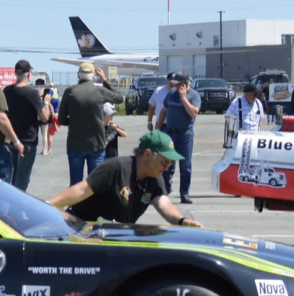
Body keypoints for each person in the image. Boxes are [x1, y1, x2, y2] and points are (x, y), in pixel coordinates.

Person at [47, 130, 203, 228]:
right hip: (81, 231)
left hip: (115, 235)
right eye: (165, 162)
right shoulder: (115, 168)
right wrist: (47, 206)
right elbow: (82, 189)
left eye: (170, 164)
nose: (167, 168)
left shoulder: (155, 178)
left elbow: (164, 204)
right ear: (147, 154)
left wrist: (182, 221)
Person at [58, 62, 124, 186]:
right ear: (93, 76)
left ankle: (76, 199)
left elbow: (61, 119)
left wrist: (75, 122)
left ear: (78, 75)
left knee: (76, 183)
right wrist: (104, 80)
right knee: (95, 184)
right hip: (96, 144)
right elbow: (119, 98)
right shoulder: (99, 91)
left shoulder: (70, 92)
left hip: (75, 143)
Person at [2, 60, 52, 191]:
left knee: (11, 176)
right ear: (29, 74)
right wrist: (46, 102)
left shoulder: (7, 91)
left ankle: (9, 201)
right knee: (22, 179)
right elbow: (44, 117)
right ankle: (16, 203)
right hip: (27, 141)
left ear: (15, 73)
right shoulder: (32, 93)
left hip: (11, 139)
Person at [154, 72, 200, 203]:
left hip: (185, 134)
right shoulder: (171, 93)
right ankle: (166, 189)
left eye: (177, 84)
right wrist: (158, 129)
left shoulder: (194, 95)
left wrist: (184, 98)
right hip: (170, 132)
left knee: (185, 166)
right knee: (167, 163)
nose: (174, 85)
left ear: (185, 84)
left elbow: (194, 113)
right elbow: (164, 111)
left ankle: (184, 193)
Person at [44, 87, 60, 155]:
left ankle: (46, 149)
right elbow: (53, 112)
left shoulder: (47, 104)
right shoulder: (56, 90)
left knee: (46, 135)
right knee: (49, 135)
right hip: (51, 120)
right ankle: (49, 149)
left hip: (47, 121)